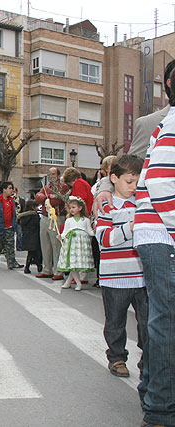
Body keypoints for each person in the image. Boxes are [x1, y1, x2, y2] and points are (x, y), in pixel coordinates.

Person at [133, 71, 175, 427]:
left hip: (156, 234)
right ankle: (161, 409)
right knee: (168, 320)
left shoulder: (166, 121)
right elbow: (161, 181)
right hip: (164, 236)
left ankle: (152, 391)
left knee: (163, 317)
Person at [94, 60, 174, 214]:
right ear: (170, 83)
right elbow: (127, 166)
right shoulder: (150, 124)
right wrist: (106, 188)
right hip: (162, 219)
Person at [95, 154, 146, 379]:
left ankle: (150, 360)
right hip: (115, 276)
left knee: (148, 322)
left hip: (143, 276)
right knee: (116, 321)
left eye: (137, 182)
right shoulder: (106, 206)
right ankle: (117, 357)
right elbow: (104, 239)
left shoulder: (143, 204)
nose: (134, 187)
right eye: (129, 181)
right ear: (114, 178)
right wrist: (131, 228)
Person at [34, 167, 70, 280]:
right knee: (45, 244)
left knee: (56, 245)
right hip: (45, 217)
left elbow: (58, 200)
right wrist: (48, 197)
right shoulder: (46, 187)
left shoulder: (63, 187)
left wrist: (46, 197)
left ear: (58, 176)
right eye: (49, 175)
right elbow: (37, 198)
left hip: (57, 217)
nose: (50, 177)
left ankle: (58, 271)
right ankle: (47, 269)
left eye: (53, 175)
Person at [56, 196, 95, 290]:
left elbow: (90, 232)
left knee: (76, 264)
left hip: (82, 244)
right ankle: (78, 283)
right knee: (73, 263)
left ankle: (68, 282)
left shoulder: (85, 220)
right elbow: (65, 232)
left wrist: (96, 231)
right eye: (70, 208)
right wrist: (61, 236)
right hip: (71, 243)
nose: (71, 210)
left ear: (80, 208)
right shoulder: (69, 220)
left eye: (74, 207)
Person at [0, 182, 23, 269]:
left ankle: (11, 262)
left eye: (12, 188)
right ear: (4, 190)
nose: (11, 190)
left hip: (9, 227)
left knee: (10, 247)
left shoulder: (12, 200)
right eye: (9, 188)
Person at [18, 200, 42, 274]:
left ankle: (29, 266)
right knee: (35, 252)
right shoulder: (34, 216)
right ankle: (37, 265)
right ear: (33, 207)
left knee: (30, 253)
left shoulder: (22, 217)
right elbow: (38, 224)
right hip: (34, 237)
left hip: (26, 237)